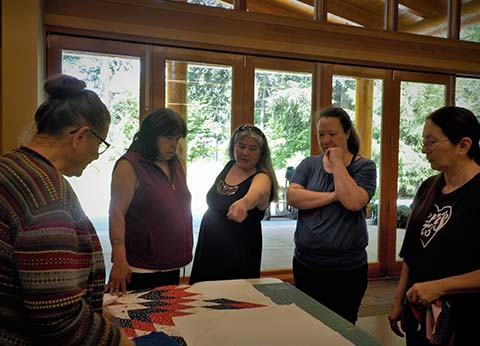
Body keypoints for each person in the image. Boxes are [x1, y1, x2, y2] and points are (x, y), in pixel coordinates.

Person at [0, 74, 133, 345]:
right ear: (81, 136)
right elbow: (60, 321)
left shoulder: (11, 164)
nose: (97, 154)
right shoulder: (48, 200)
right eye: (100, 144)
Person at [388, 106, 480, 345]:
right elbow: (412, 251)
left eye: (431, 142)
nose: (424, 150)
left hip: (464, 318)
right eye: (423, 142)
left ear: (463, 145)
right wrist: (399, 299)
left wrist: (440, 287)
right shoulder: (429, 187)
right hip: (419, 311)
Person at [287, 106, 377, 324]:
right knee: (309, 324)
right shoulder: (309, 164)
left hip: (347, 269)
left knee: (342, 326)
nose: (325, 140)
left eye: (332, 134)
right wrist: (333, 196)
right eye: (321, 134)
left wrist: (337, 162)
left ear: (347, 133)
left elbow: (354, 202)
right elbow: (293, 197)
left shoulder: (364, 166)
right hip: (306, 264)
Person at [108, 108, 192, 296]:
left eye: (177, 139)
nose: (174, 145)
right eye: (168, 138)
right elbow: (116, 213)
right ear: (151, 135)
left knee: (170, 320)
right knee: (142, 321)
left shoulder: (173, 162)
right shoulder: (129, 165)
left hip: (171, 263)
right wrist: (120, 260)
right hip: (141, 267)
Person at [189, 124, 278, 284]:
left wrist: (244, 203)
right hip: (209, 245)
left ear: (261, 153)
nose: (245, 152)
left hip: (238, 251)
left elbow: (256, 194)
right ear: (233, 147)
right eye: (241, 146)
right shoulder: (230, 166)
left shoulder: (262, 177)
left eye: (252, 148)